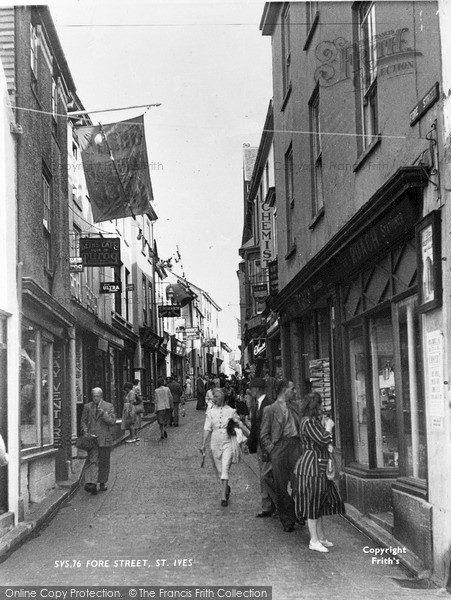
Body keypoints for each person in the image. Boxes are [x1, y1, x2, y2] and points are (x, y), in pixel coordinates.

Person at [294, 392, 345, 553]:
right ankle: (314, 540)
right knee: (313, 502)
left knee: (320, 502)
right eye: (320, 405)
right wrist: (328, 428)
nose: (322, 408)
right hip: (312, 466)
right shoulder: (307, 422)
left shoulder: (312, 421)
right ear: (314, 407)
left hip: (318, 464)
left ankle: (321, 537)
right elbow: (323, 439)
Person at [260, 379, 303, 532]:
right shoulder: (270, 410)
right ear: (284, 390)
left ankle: (299, 512)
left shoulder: (295, 407)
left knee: (299, 483)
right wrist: (272, 449)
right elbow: (264, 434)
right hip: (280, 448)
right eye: (293, 389)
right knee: (281, 486)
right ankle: (287, 520)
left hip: (296, 447)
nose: (295, 392)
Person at [200, 387, 248, 507]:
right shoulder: (210, 412)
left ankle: (223, 497)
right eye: (213, 396)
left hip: (227, 442)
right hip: (214, 442)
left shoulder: (231, 411)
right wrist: (203, 444)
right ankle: (226, 488)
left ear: (222, 397)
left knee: (225, 468)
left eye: (216, 396)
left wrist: (250, 435)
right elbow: (207, 428)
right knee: (220, 470)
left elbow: (240, 424)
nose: (213, 399)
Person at [246, 378, 277, 518]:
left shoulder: (269, 404)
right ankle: (267, 506)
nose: (250, 391)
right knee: (263, 475)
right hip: (260, 445)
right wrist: (250, 444)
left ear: (256, 389)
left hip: (267, 445)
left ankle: (277, 505)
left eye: (251, 388)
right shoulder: (256, 404)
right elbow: (254, 428)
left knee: (266, 476)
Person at [81, 387, 116, 494]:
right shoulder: (87, 407)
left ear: (101, 396)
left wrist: (103, 415)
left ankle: (102, 482)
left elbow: (112, 421)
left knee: (104, 461)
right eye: (93, 396)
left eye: (97, 396)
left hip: (104, 438)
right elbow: (83, 421)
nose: (95, 398)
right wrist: (85, 431)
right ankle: (92, 483)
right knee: (93, 460)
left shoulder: (108, 406)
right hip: (92, 439)